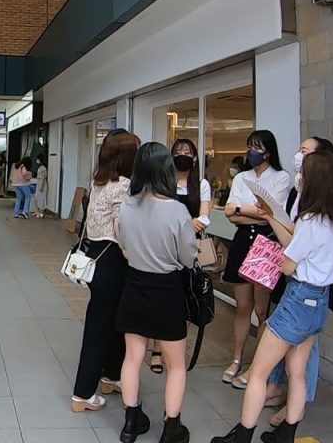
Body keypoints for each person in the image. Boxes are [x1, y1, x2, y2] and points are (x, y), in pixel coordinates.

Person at [213, 151, 333, 443]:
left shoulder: (311, 220)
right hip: (318, 304)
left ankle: (242, 436)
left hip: (297, 301)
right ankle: (287, 433)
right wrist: (272, 217)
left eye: (303, 173)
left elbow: (288, 263)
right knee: (296, 371)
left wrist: (283, 252)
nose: (298, 177)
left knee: (258, 372)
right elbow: (297, 243)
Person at [115, 142, 198, 443]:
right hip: (167, 292)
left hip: (134, 286)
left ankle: (130, 422)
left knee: (132, 358)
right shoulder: (177, 211)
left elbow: (123, 247)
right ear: (166, 169)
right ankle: (171, 429)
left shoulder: (127, 206)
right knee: (176, 366)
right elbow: (188, 258)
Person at [263, 137, 333, 428]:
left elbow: (292, 255)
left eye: (304, 153)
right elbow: (296, 237)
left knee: (263, 368)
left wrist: (282, 239)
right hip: (307, 286)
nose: (298, 157)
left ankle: (252, 423)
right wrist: (274, 219)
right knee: (296, 362)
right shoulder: (312, 202)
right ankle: (288, 416)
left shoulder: (316, 214)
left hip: (304, 287)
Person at [70, 129, 139, 413]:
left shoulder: (98, 181)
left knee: (113, 322)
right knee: (101, 326)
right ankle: (82, 393)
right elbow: (123, 229)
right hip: (115, 259)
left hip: (96, 257)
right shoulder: (124, 186)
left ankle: (112, 376)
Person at [222, 130, 292, 390]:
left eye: (257, 147)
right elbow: (231, 214)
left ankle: (258, 364)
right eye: (249, 146)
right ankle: (237, 357)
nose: (252, 152)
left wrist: (242, 209)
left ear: (269, 151)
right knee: (242, 305)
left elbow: (272, 215)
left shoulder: (281, 177)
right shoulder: (241, 177)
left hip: (267, 243)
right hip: (243, 242)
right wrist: (246, 211)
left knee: (262, 310)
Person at [146, 138, 213, 375]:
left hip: (189, 248)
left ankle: (174, 349)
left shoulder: (201, 184)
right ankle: (156, 349)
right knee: (161, 300)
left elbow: (204, 216)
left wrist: (191, 224)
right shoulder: (165, 182)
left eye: (187, 151)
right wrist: (185, 223)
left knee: (184, 299)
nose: (182, 155)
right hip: (164, 249)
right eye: (178, 151)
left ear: (195, 157)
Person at [32, 154, 48, 218]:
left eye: (38, 159)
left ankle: (41, 212)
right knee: (37, 198)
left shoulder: (43, 168)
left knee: (41, 198)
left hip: (42, 183)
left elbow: (43, 178)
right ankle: (37, 211)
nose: (37, 160)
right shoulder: (40, 167)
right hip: (39, 183)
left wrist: (41, 186)